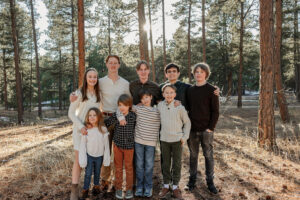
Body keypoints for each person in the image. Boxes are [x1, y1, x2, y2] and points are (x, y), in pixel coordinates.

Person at [70, 55, 131, 191]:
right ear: (107, 64)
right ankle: (104, 179)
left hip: (120, 119)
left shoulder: (125, 83)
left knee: (118, 152)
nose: (113, 65)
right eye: (110, 63)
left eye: (116, 63)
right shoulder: (101, 82)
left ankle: (117, 180)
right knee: (105, 150)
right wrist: (73, 95)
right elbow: (86, 90)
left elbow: (129, 101)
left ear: (119, 65)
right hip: (105, 118)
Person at [185, 63, 219, 194]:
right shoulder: (190, 90)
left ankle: (210, 182)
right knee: (193, 156)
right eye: (196, 71)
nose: (198, 74)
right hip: (192, 130)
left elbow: (215, 111)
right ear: (194, 74)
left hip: (207, 130)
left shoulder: (212, 90)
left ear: (206, 73)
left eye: (201, 71)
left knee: (208, 155)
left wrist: (210, 128)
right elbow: (187, 108)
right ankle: (192, 181)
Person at [68, 68, 101, 200]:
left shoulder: (98, 94)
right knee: (79, 160)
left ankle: (89, 187)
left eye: (95, 77)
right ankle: (74, 190)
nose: (92, 79)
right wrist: (81, 126)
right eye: (90, 77)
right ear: (85, 78)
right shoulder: (79, 93)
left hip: (92, 133)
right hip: (79, 132)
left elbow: (99, 111)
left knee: (90, 160)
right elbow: (71, 113)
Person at [157, 84, 191, 200]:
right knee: (165, 163)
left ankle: (175, 186)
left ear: (175, 94)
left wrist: (184, 137)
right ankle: (166, 185)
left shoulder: (179, 107)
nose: (169, 95)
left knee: (176, 164)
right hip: (164, 140)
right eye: (166, 92)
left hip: (177, 140)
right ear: (163, 95)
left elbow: (187, 123)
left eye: (171, 92)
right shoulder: (160, 106)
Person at [104, 94, 136, 199]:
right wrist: (117, 115)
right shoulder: (116, 115)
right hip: (117, 146)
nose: (122, 107)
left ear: (129, 106)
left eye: (125, 105)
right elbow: (107, 123)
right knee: (118, 168)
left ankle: (129, 189)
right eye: (120, 105)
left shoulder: (133, 116)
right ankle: (118, 188)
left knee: (129, 168)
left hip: (129, 147)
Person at [131, 89, 160, 198]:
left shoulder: (157, 111)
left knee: (149, 166)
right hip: (138, 141)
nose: (145, 100)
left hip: (151, 143)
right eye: (143, 98)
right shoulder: (138, 108)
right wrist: (120, 117)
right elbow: (122, 107)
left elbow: (169, 109)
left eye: (147, 97)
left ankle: (148, 187)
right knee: (139, 165)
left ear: (151, 97)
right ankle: (139, 187)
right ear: (141, 100)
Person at [79, 107, 110, 199]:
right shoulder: (87, 130)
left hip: (99, 156)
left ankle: (96, 187)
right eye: (90, 115)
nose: (92, 117)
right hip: (89, 155)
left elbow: (106, 146)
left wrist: (106, 158)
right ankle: (85, 190)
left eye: (94, 115)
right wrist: (83, 159)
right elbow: (83, 145)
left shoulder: (103, 129)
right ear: (87, 117)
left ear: (99, 117)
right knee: (88, 173)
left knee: (97, 172)